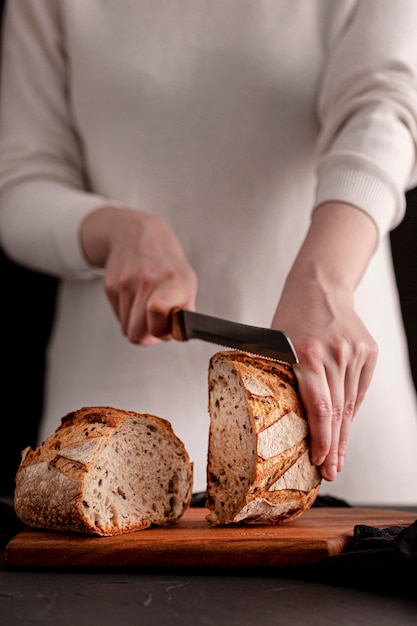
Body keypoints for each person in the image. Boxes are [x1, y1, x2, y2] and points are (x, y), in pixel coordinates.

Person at [0, 0, 416, 505]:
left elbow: (388, 106)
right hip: (104, 449)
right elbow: (18, 179)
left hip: (337, 410)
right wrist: (117, 230)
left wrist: (325, 279)